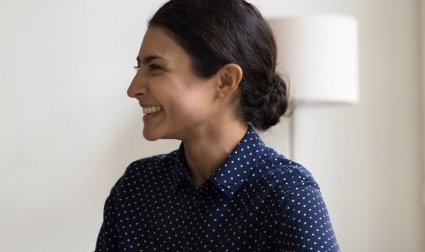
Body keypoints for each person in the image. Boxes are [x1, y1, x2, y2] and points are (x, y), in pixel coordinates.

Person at [95, 0, 339, 251]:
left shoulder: (288, 193)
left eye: (155, 67)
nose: (133, 89)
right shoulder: (136, 189)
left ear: (225, 81)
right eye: (139, 67)